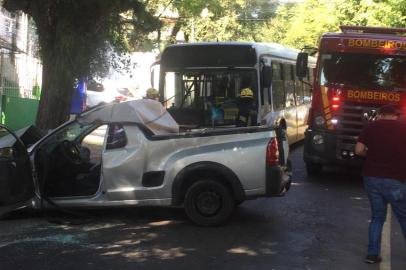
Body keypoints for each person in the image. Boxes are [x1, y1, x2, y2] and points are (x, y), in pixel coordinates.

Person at [355, 104, 406, 264]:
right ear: (396, 115)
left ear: (380, 114)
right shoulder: (403, 128)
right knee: (404, 217)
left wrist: (369, 154)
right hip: (396, 179)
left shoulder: (370, 127)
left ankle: (372, 254)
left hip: (372, 178)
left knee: (377, 217)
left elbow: (358, 150)